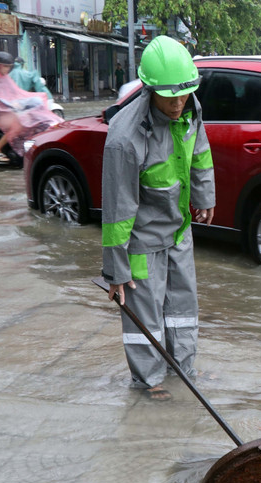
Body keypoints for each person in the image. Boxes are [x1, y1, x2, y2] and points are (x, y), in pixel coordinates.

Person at [101, 35, 215, 401]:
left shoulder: (190, 108)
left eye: (183, 94)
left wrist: (204, 196)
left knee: (182, 307)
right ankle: (149, 382)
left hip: (178, 227)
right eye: (170, 97)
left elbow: (200, 153)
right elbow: (118, 210)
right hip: (141, 239)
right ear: (150, 91)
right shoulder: (125, 138)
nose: (178, 103)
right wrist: (116, 272)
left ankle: (182, 368)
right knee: (144, 316)